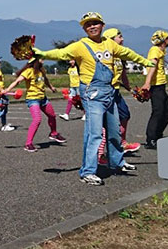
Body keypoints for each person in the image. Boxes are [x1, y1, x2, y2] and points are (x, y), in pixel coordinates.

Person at [35, 12, 151, 186]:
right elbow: (61, 54)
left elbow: (127, 53)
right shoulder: (80, 45)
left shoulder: (110, 44)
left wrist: (144, 62)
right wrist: (42, 53)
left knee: (114, 132)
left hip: (110, 93)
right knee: (94, 134)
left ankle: (117, 163)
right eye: (88, 25)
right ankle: (88, 171)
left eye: (95, 23)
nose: (92, 27)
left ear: (102, 25)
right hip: (92, 95)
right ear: (84, 28)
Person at [2, 56, 65, 152]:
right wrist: (7, 90)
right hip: (33, 99)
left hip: (43, 98)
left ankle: (53, 133)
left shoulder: (41, 70)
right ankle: (28, 144)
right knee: (37, 119)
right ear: (35, 61)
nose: (43, 60)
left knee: (52, 115)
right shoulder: (29, 71)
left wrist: (51, 87)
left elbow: (45, 79)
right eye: (41, 58)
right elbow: (17, 81)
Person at [100, 27, 139, 154]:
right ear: (111, 39)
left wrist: (130, 89)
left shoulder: (120, 55)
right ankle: (100, 154)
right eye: (119, 36)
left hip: (116, 91)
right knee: (106, 124)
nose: (122, 39)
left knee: (125, 115)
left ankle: (122, 142)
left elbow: (123, 75)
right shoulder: (106, 55)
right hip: (106, 92)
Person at [141, 30, 168, 149]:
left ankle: (158, 135)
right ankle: (151, 139)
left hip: (161, 85)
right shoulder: (154, 50)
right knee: (158, 112)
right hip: (156, 86)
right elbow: (152, 66)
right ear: (164, 40)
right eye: (167, 38)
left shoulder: (161, 51)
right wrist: (147, 83)